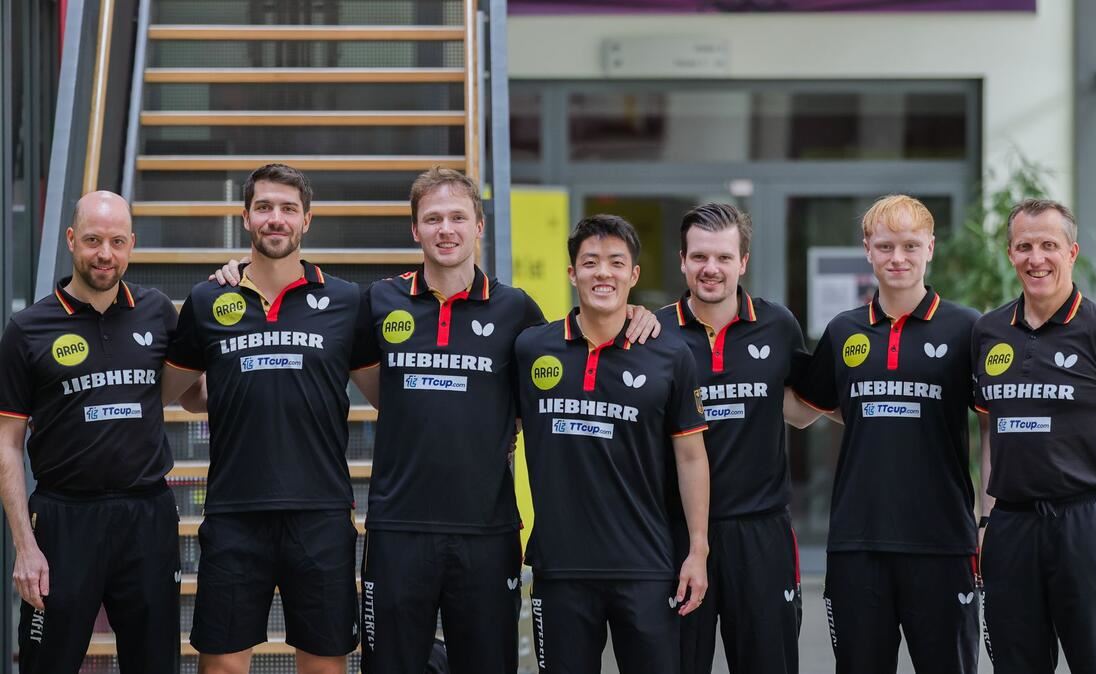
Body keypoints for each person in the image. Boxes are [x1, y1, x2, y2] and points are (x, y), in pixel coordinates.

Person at [349, 167, 661, 674]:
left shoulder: (516, 311)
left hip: (488, 532)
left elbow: (570, 363)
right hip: (398, 528)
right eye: (432, 219)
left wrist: (644, 315)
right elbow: (374, 382)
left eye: (457, 217)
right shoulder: (380, 301)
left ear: (479, 226)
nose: (445, 229)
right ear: (415, 230)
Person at [162, 164, 377, 674]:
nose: (275, 219)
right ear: (245, 218)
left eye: (287, 209)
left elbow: (389, 396)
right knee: (222, 666)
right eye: (264, 207)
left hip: (321, 512)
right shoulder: (211, 299)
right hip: (236, 513)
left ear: (307, 220)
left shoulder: (347, 302)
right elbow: (182, 395)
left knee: (323, 666)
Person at [0, 191, 188, 673]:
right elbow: (7, 444)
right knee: (47, 664)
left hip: (147, 516)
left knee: (154, 664)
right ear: (70, 241)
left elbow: (192, 393)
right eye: (92, 240)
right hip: (64, 522)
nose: (105, 253)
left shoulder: (158, 312)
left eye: (117, 241)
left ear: (131, 245)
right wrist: (25, 546)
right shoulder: (27, 329)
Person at [514, 213, 711, 674]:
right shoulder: (531, 349)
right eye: (590, 262)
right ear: (571, 273)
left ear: (634, 274)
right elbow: (502, 436)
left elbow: (691, 457)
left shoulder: (670, 355)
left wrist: (698, 550)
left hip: (646, 567)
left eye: (616, 262)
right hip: (560, 568)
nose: (603, 273)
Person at [795, 195, 983, 674]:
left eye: (909, 245)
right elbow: (803, 411)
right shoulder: (843, 331)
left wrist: (989, 519)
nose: (897, 258)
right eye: (885, 246)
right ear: (867, 250)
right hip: (858, 543)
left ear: (931, 248)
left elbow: (996, 424)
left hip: (942, 542)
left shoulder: (968, 329)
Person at [972, 198, 1096, 674]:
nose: (1036, 258)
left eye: (1049, 245)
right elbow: (989, 429)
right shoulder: (988, 333)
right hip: (1012, 525)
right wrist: (987, 520)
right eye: (1024, 246)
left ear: (1072, 252)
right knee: (1015, 661)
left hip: (1090, 522)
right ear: (1010, 254)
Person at [657, 203, 825, 674]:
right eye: (700, 257)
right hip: (677, 536)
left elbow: (801, 409)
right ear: (683, 260)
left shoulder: (777, 325)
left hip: (761, 532)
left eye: (724, 257)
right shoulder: (653, 332)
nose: (712, 269)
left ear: (743, 262)